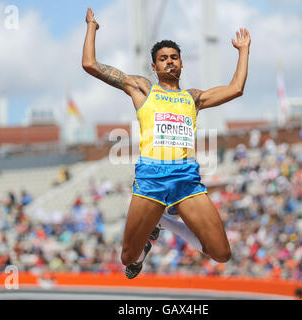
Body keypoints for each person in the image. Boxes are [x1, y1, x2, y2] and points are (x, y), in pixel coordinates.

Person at [82, 8, 251, 279]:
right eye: (163, 59)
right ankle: (155, 224)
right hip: (152, 177)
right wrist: (92, 27)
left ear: (182, 64)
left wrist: (243, 50)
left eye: (174, 58)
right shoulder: (142, 89)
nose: (169, 62)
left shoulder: (193, 98)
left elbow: (235, 89)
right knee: (128, 258)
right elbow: (90, 64)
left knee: (221, 253)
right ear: (154, 66)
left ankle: (162, 221)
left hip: (186, 176)